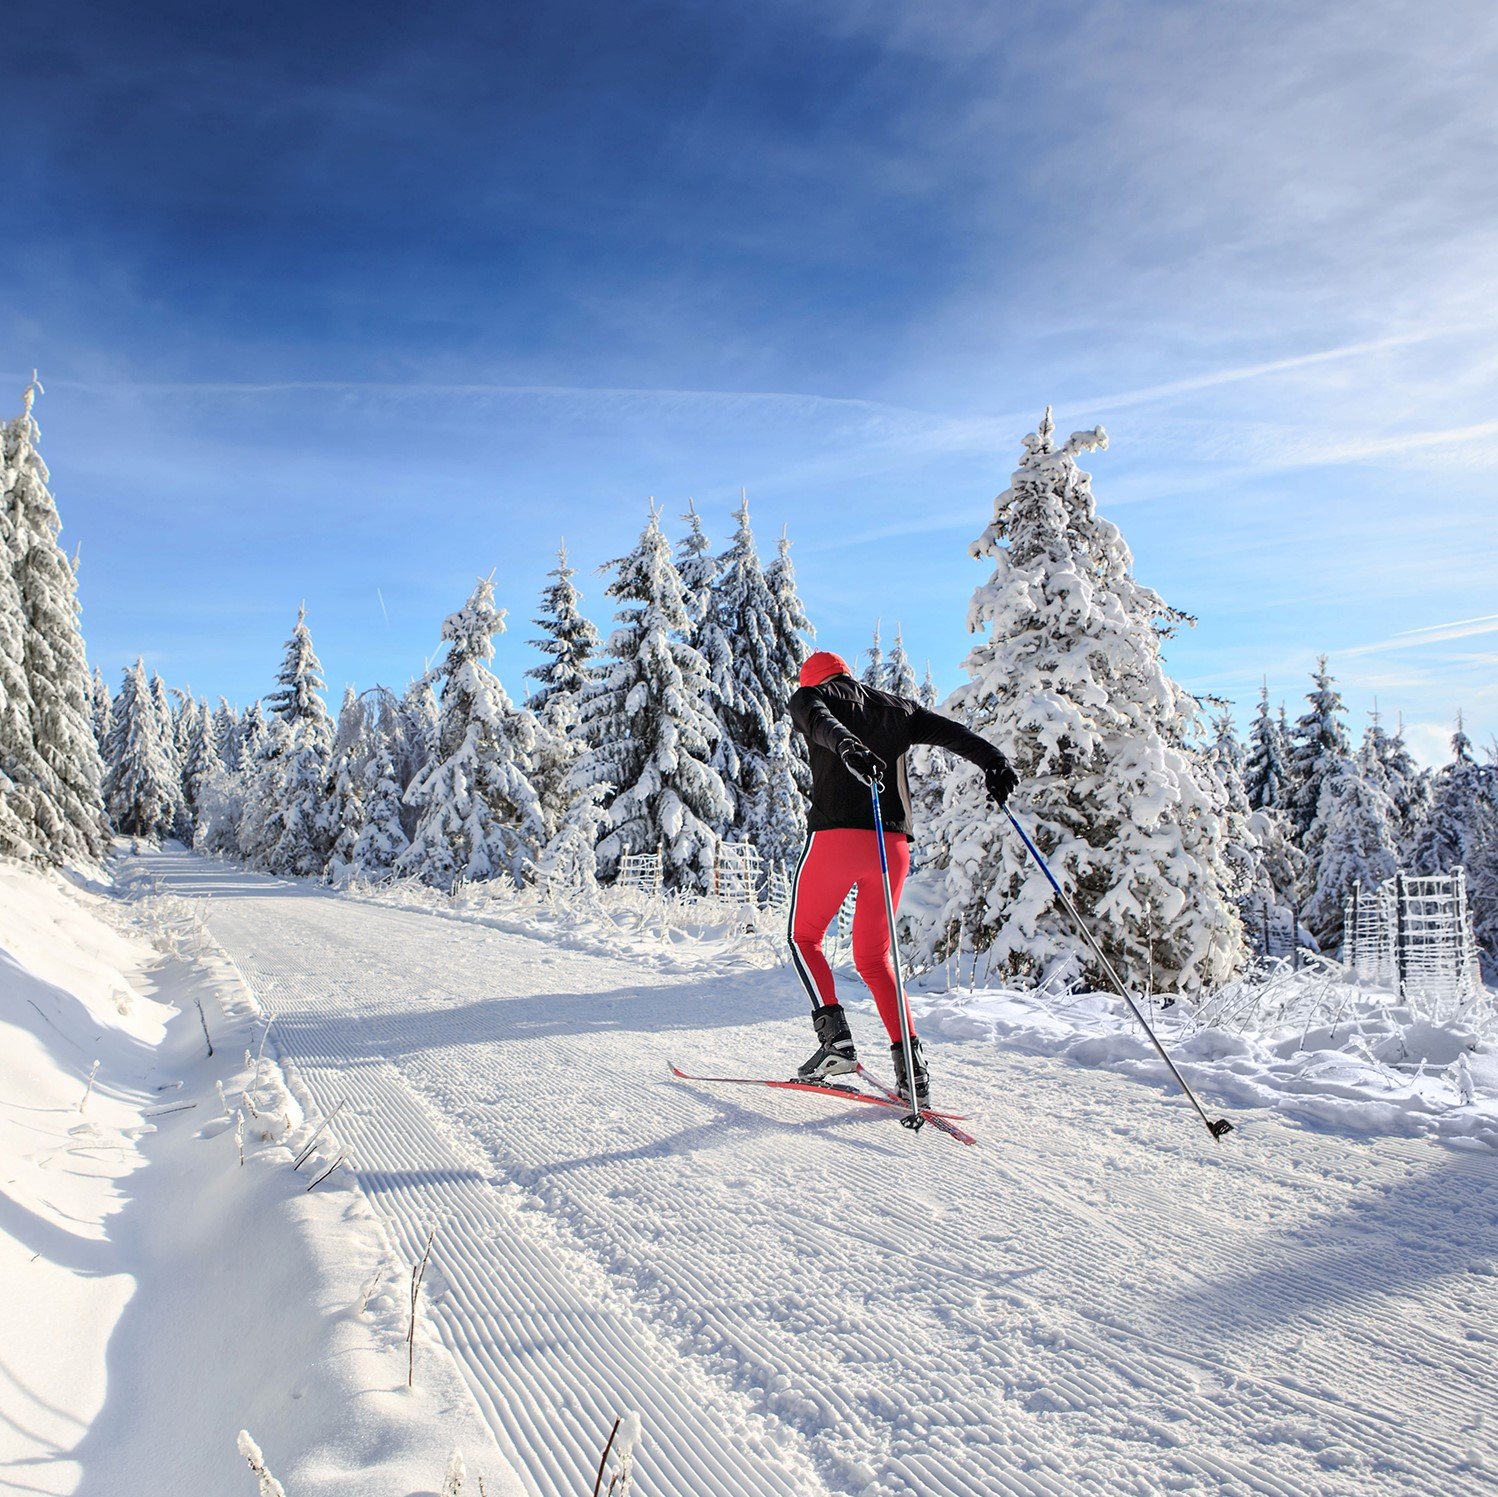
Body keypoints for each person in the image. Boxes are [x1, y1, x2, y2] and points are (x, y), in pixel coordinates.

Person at [786, 650, 1017, 1106]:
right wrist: (992, 760)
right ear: (847, 673)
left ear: (811, 678)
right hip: (891, 847)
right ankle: (911, 1069)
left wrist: (848, 747)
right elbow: (954, 735)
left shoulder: (810, 697)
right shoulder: (898, 707)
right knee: (874, 958)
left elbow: (821, 726)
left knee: (804, 937)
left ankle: (835, 1042)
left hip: (835, 838)